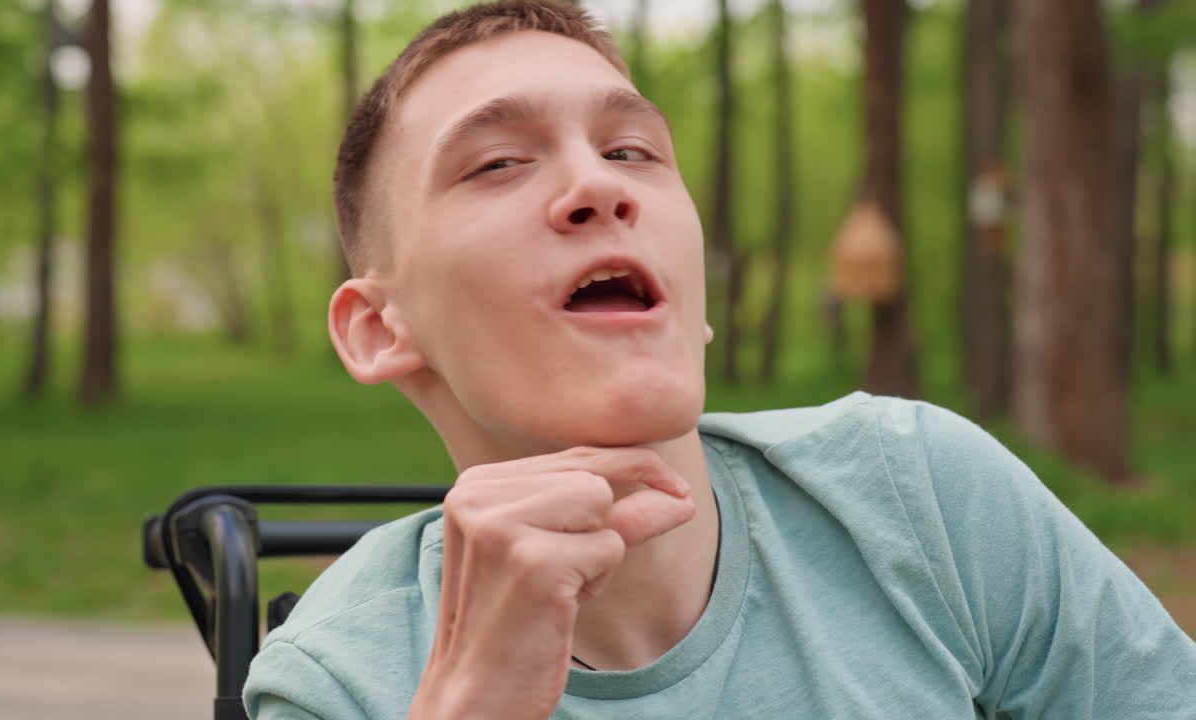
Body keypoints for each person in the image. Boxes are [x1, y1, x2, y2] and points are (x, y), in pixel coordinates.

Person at [243, 2, 1196, 717]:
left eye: (632, 150)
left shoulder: (923, 496)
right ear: (378, 328)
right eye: (497, 162)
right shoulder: (336, 680)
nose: (597, 185)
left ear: (689, 301)